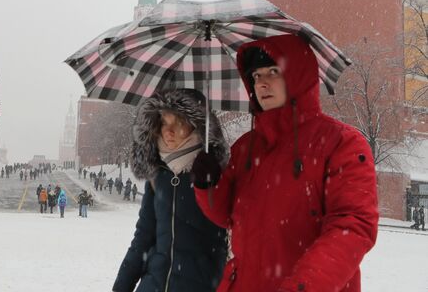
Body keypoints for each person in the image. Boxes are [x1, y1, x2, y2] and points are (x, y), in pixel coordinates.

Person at [192, 35, 378, 292]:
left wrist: (301, 287)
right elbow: (224, 215)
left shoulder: (342, 143)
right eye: (256, 76)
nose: (262, 84)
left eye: (273, 72)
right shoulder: (246, 147)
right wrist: (208, 184)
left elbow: (352, 227)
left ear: (297, 75)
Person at [113, 89, 228, 292]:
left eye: (179, 122)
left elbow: (224, 242)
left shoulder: (214, 173)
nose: (169, 131)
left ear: (196, 125)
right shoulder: (157, 175)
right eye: (164, 122)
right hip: (152, 285)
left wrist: (210, 183)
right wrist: (122, 286)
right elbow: (143, 237)